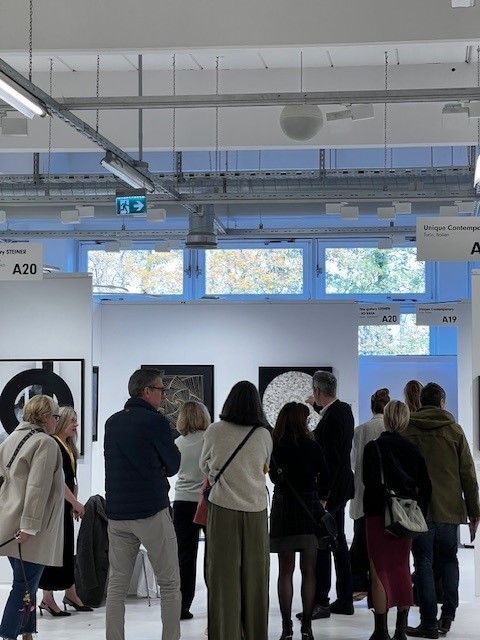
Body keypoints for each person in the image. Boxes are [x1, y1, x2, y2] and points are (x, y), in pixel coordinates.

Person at [104, 369, 181, 640]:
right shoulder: (155, 422)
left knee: (116, 586)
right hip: (151, 511)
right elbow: (173, 465)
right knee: (169, 584)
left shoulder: (112, 423)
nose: (164, 396)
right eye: (161, 390)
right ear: (146, 391)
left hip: (117, 513)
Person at [404, 383, 480, 639]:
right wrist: (474, 510)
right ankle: (447, 616)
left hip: (419, 510)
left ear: (421, 402)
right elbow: (468, 474)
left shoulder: (408, 429)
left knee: (422, 562)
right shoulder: (454, 431)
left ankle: (428, 622)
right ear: (442, 403)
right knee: (449, 560)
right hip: (449, 509)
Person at [200, 380, 272, 640]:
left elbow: (204, 465)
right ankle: (255, 633)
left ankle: (225, 633)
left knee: (223, 577)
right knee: (256, 578)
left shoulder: (215, 430)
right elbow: (266, 467)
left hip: (223, 508)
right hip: (256, 509)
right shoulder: (264, 434)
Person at [363, 400, 431, 640]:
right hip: (405, 517)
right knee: (402, 567)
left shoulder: (374, 447)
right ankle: (401, 630)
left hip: (378, 515)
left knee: (379, 570)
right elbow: (426, 486)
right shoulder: (413, 449)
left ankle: (381, 631)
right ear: (405, 420)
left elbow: (369, 483)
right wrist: (417, 511)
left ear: (386, 418)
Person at [0, 395, 65, 640]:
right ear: (46, 417)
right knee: (24, 585)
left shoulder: (11, 439)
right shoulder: (45, 443)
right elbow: (37, 487)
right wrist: (29, 526)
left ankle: (27, 632)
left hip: (9, 520)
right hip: (31, 527)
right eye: (56, 416)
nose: (56, 421)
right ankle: (8, 634)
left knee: (27, 583)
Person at [270, 402, 329, 640]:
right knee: (309, 571)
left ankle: (286, 627)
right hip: (308, 510)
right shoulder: (312, 446)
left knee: (285, 571)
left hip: (283, 509)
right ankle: (307, 626)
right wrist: (321, 501)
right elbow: (326, 478)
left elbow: (273, 477)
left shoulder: (275, 446)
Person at [310, 370, 355, 619]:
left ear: (317, 391)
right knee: (337, 543)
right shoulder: (343, 410)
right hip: (342, 487)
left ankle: (322, 601)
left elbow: (331, 460)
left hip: (331, 491)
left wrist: (324, 494)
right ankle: (345, 598)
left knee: (324, 544)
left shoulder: (333, 417)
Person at [39, 406, 91, 616]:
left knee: (66, 550)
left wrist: (73, 502)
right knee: (54, 551)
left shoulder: (68, 447)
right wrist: (75, 503)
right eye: (72, 420)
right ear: (60, 422)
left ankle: (70, 592)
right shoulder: (54, 445)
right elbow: (58, 482)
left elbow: (71, 479)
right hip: (55, 507)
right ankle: (48, 598)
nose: (76, 424)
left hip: (65, 506)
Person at [349, 388, 390, 599]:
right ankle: (384, 585)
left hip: (363, 493)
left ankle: (359, 585)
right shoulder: (392, 430)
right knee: (385, 543)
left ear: (372, 406)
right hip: (387, 495)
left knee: (360, 540)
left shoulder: (360, 430)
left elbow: (353, 463)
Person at [172, 400, 210, 620]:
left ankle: (182, 605)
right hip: (207, 501)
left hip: (182, 502)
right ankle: (216, 601)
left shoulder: (177, 443)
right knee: (212, 554)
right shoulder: (210, 439)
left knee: (184, 556)